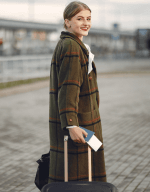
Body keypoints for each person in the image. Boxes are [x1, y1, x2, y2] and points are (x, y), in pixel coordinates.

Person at [48, 1, 107, 183]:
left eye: (88, 19)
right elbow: (68, 88)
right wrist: (72, 125)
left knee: (79, 176)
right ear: (67, 22)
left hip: (83, 121)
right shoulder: (72, 47)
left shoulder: (74, 44)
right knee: (77, 179)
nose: (85, 23)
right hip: (80, 123)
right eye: (79, 18)